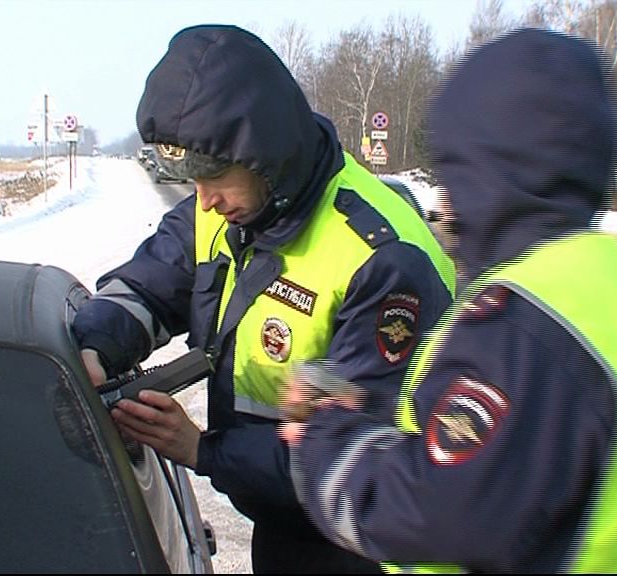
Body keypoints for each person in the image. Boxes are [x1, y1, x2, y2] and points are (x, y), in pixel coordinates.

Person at [72, 24, 456, 574]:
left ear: (264, 156)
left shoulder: (380, 256)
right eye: (190, 178)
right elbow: (149, 282)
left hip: (368, 548)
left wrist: (202, 451)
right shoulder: (232, 205)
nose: (203, 199)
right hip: (285, 523)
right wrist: (97, 346)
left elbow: (363, 458)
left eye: (214, 176)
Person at [280, 27, 617, 573]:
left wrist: (325, 439)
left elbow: (441, 514)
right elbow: (521, 464)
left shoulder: (522, 317)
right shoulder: (609, 285)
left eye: (454, 170)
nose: (447, 201)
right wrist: (370, 414)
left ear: (486, 170)